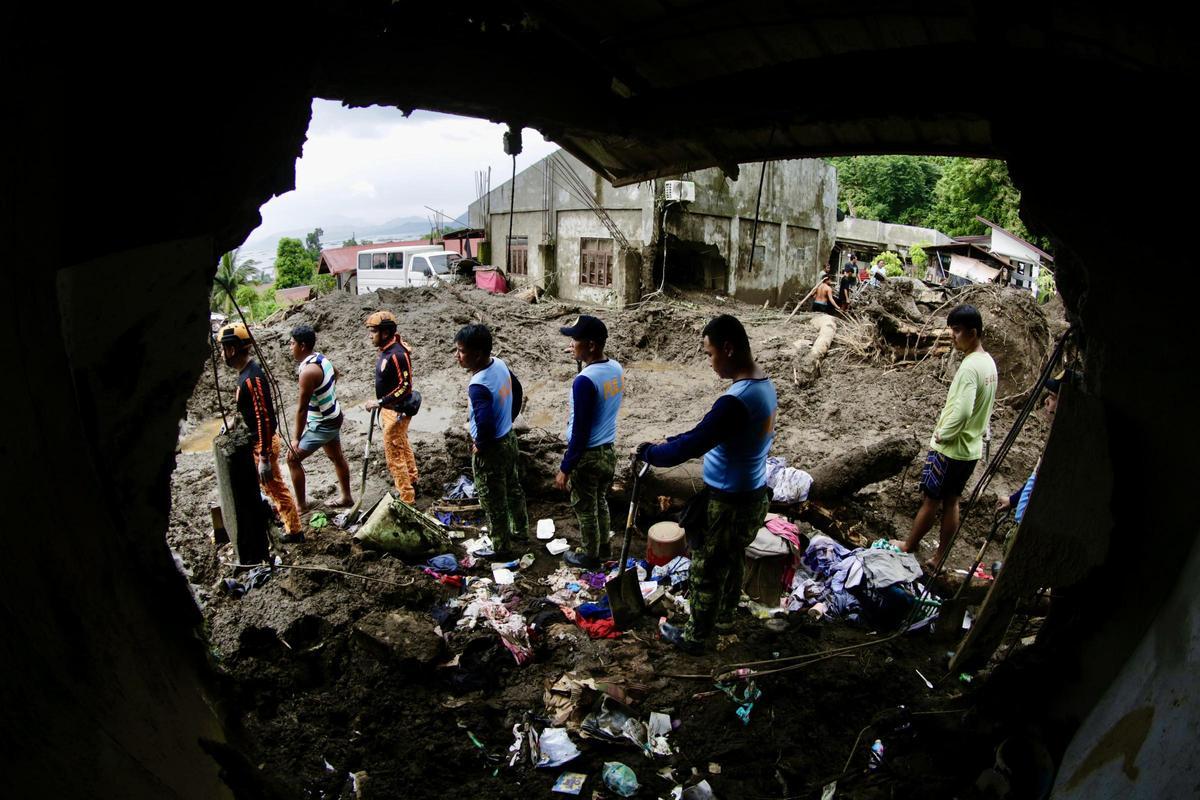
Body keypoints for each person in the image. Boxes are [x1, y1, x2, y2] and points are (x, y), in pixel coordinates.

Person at [637, 314, 777, 653]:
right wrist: (666, 440)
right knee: (731, 559)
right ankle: (726, 615)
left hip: (729, 503)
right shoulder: (763, 385)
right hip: (752, 494)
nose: (710, 362)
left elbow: (693, 444)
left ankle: (695, 638)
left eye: (709, 354)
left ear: (728, 349)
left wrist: (651, 454)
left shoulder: (736, 401)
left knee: (706, 570)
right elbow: (706, 431)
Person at [902, 305, 998, 568]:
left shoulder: (969, 368)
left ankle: (910, 545)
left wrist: (943, 434)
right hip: (971, 448)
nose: (952, 336)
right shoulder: (988, 363)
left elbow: (964, 410)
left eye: (957, 331)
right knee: (952, 502)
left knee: (931, 500)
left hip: (952, 448)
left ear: (973, 332)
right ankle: (940, 557)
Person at [218, 322, 304, 543]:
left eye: (223, 349)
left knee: (275, 486)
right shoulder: (245, 374)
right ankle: (280, 518)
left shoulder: (252, 378)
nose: (221, 354)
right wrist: (234, 423)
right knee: (267, 486)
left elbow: (264, 418)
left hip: (263, 443)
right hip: (259, 441)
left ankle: (295, 531)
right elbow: (249, 411)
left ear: (232, 349)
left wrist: (264, 456)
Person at [555, 315, 624, 569]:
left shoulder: (584, 381)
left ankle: (589, 554)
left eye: (575, 340)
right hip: (608, 450)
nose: (571, 344)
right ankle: (604, 548)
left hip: (588, 454)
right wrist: (580, 361)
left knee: (585, 508)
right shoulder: (615, 368)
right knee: (600, 502)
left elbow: (581, 431)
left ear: (592, 345)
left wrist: (566, 467)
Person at [455, 324, 529, 556]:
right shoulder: (499, 363)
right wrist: (509, 416)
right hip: (508, 438)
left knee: (493, 501)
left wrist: (481, 444)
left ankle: (501, 547)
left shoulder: (478, 385)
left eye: (461, 351)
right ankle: (521, 529)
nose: (457, 356)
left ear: (477, 354)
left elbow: (484, 422)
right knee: (513, 487)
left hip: (492, 449)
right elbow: (517, 390)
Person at [285, 325, 353, 512]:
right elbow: (336, 375)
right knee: (337, 457)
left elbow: (302, 408)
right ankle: (346, 497)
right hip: (334, 415)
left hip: (323, 423)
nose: (290, 347)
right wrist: (326, 396)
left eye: (292, 344)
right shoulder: (322, 359)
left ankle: (301, 506)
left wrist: (296, 439)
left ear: (303, 345)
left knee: (292, 459)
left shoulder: (308, 372)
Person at [364, 311, 419, 504]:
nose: (370, 336)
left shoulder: (397, 354)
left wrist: (379, 402)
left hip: (396, 411)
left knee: (394, 456)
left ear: (385, 333)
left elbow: (405, 387)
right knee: (402, 445)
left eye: (373, 331)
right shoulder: (386, 350)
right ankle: (412, 480)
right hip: (390, 408)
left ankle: (407, 498)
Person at [997, 375, 1061, 523]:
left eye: (1053, 397)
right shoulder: (1053, 437)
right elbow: (1035, 478)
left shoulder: (1061, 449)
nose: (1046, 401)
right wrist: (1013, 500)